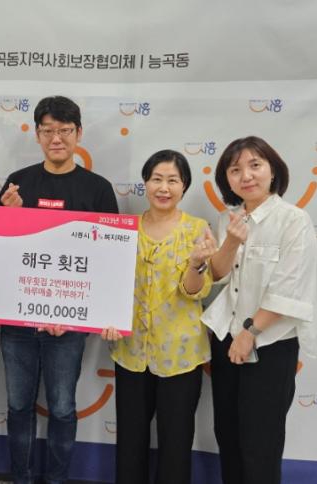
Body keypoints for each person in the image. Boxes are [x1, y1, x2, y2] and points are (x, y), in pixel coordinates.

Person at [0, 95, 119, 484]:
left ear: (78, 133)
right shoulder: (18, 183)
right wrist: (8, 216)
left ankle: (57, 479)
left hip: (69, 326)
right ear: (37, 134)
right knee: (18, 406)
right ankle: (22, 477)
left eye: (64, 130)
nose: (56, 138)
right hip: (18, 324)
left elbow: (108, 261)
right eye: (48, 130)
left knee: (63, 407)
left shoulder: (98, 189)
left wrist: (76, 315)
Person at [201, 136, 317, 484]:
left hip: (269, 344)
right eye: (235, 170)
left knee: (260, 442)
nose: (246, 176)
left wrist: (250, 332)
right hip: (226, 339)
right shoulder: (227, 219)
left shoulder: (293, 220)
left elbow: (289, 287)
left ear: (273, 170)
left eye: (255, 165)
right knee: (228, 434)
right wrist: (231, 241)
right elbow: (217, 275)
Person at [103, 150, 215, 484]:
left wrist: (196, 263)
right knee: (130, 439)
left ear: (184, 186)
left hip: (180, 354)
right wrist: (105, 317)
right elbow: (108, 282)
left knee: (176, 441)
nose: (163, 188)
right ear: (145, 183)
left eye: (172, 180)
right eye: (156, 179)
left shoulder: (198, 229)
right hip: (131, 351)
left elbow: (195, 291)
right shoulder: (124, 229)